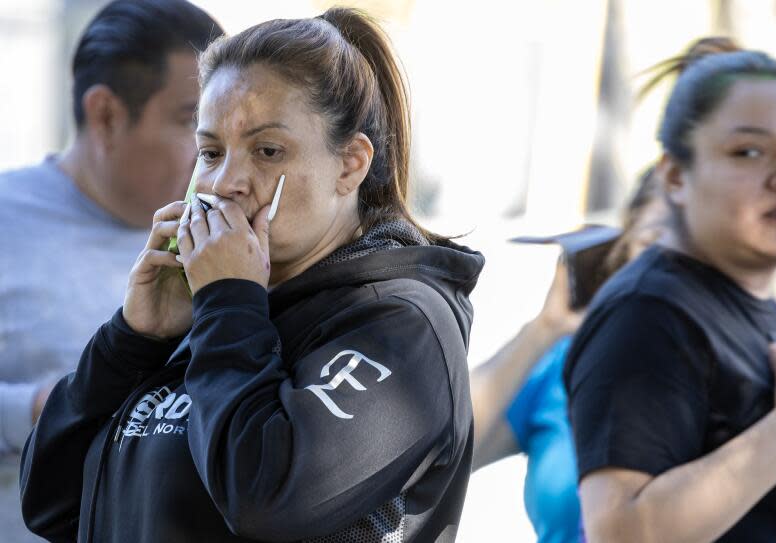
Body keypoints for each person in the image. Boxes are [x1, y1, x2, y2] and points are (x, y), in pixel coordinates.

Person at [20, 7, 483, 543]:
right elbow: (52, 503)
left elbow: (267, 498)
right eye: (211, 152)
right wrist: (130, 341)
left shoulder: (403, 324)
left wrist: (230, 303)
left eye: (268, 151)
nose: (227, 182)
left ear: (350, 164)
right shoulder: (216, 316)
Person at [563, 37, 776, 542]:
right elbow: (620, 531)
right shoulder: (648, 312)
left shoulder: (755, 304)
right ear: (674, 175)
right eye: (749, 151)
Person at [0, 1, 222, 541]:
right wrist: (36, 408)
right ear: (106, 115)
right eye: (191, 121)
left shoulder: (230, 238)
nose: (212, 153)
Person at [470, 167, 666, 543]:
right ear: (623, 250)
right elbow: (439, 446)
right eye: (651, 245)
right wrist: (545, 328)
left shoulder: (744, 376)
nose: (663, 273)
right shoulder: (568, 363)